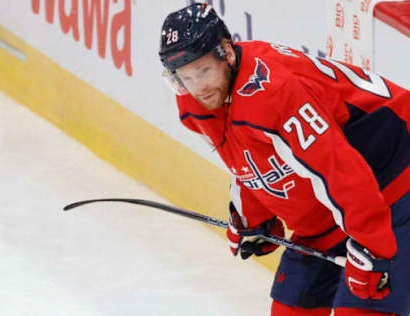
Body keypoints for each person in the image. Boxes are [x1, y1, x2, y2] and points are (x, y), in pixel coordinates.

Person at [159, 3, 410, 316]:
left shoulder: (273, 92)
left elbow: (337, 166)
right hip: (340, 199)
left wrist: (374, 247)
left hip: (396, 174)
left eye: (204, 71)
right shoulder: (195, 100)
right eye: (184, 78)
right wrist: (254, 218)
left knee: (363, 306)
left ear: (227, 53)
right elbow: (247, 154)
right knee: (291, 308)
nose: (198, 87)